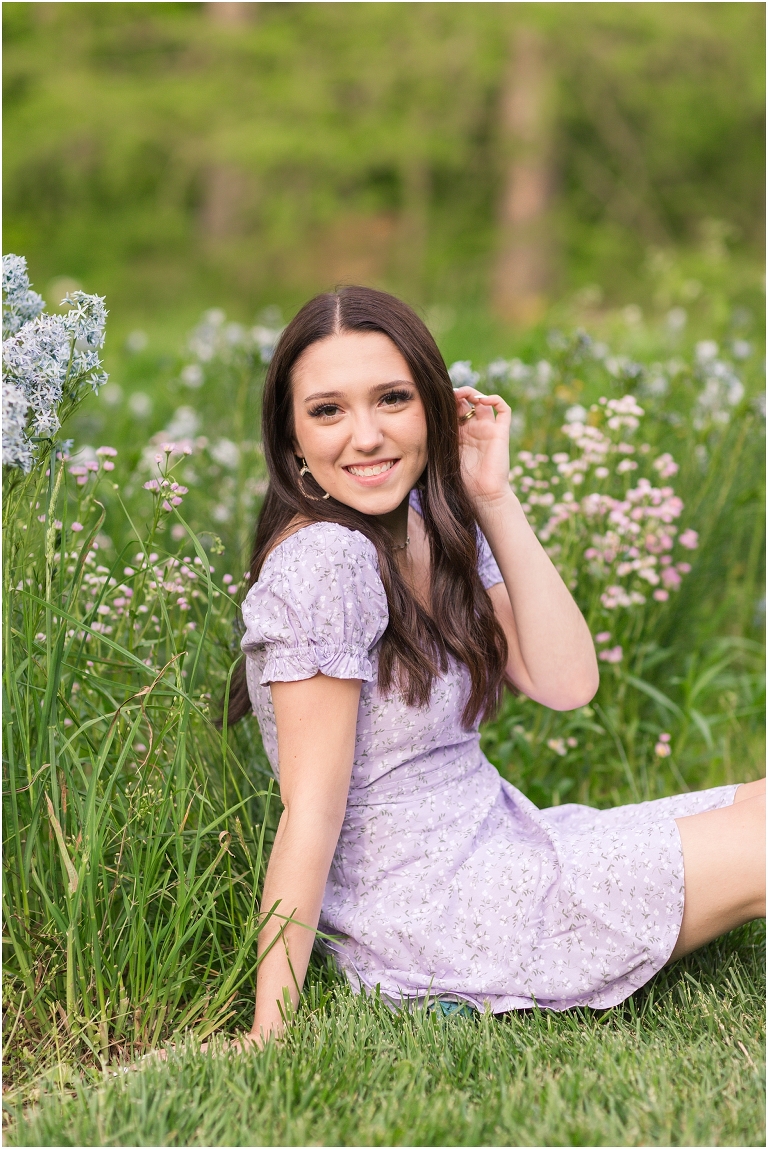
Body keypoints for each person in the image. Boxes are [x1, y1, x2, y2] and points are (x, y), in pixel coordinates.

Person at [226, 285, 764, 1048]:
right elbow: (309, 811)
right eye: (328, 410)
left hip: (503, 843)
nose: (367, 435)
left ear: (433, 409)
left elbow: (566, 681)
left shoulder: (428, 521)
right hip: (429, 913)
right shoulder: (327, 560)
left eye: (392, 399)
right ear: (291, 441)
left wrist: (493, 496)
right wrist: (267, 1031)